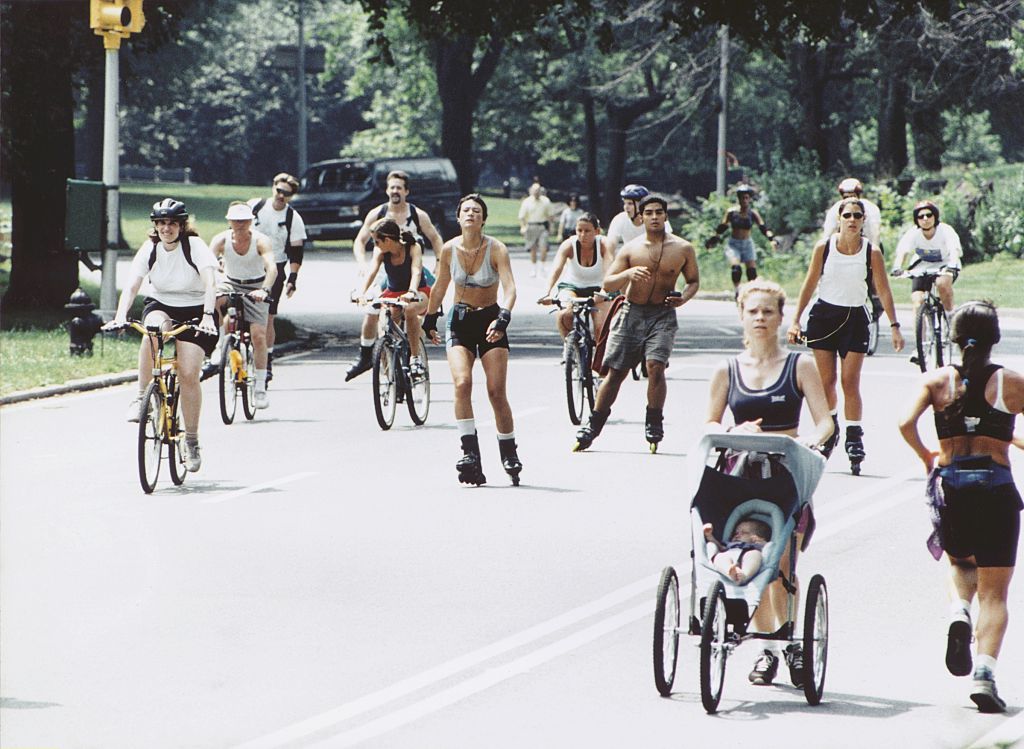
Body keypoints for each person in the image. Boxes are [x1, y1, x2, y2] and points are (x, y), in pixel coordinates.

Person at [706, 278, 835, 687]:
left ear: (781, 317)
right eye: (753, 311)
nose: (760, 318)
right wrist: (733, 426)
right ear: (742, 316)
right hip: (739, 476)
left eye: (768, 312)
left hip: (785, 474)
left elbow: (826, 422)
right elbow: (709, 422)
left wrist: (807, 441)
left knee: (782, 562)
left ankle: (791, 640)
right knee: (750, 558)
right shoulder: (727, 369)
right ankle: (769, 648)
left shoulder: (801, 365)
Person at [897, 301, 1022, 713]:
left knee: (961, 564)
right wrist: (1009, 440)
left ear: (952, 337)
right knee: (996, 593)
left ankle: (958, 611)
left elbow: (904, 423)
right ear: (995, 339)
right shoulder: (1012, 383)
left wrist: (925, 456)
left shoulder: (937, 382)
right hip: (997, 489)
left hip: (952, 488)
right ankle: (984, 673)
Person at [787, 197, 905, 472]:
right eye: (847, 215)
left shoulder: (871, 252)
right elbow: (809, 283)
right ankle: (830, 429)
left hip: (855, 319)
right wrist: (795, 320)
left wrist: (894, 325)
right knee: (826, 381)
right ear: (838, 219)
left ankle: (854, 437)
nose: (852, 220)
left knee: (850, 381)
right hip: (824, 317)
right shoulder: (824, 247)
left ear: (864, 221)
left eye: (857, 216)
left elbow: (884, 290)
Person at [573, 194, 699, 452]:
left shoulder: (683, 248)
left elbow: (693, 281)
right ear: (641, 217)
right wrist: (628, 274)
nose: (654, 217)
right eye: (649, 213)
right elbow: (608, 282)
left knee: (655, 366)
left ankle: (654, 421)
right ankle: (593, 424)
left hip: (662, 315)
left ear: (666, 216)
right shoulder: (632, 248)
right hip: (631, 312)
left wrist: (683, 298)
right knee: (615, 372)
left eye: (659, 212)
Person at [105, 199, 219, 472]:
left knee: (189, 373)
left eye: (172, 223)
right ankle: (142, 395)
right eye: (161, 224)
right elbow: (133, 285)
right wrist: (120, 315)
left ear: (182, 225)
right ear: (155, 226)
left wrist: (207, 315)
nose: (166, 229)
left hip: (196, 307)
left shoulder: (195, 247)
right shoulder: (151, 248)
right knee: (151, 333)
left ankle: (191, 441)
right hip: (162, 304)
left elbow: (210, 283)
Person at [424, 194, 522, 486]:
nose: (471, 214)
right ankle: (470, 453)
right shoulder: (449, 249)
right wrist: (430, 318)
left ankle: (509, 450)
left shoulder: (496, 249)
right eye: (466, 210)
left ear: (483, 219)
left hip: (490, 319)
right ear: (458, 217)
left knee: (495, 391)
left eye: (476, 211)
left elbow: (511, 288)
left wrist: (503, 317)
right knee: (462, 383)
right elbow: (441, 285)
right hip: (460, 322)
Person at [346, 170, 446, 380]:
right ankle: (378, 364)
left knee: (411, 312)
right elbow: (360, 241)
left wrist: (438, 263)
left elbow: (435, 240)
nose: (395, 191)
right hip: (387, 276)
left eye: (399, 187)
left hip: (410, 273)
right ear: (386, 190)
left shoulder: (417, 217)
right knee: (378, 317)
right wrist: (361, 268)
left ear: (406, 191)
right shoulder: (377, 215)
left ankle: (414, 357)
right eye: (391, 187)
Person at [209, 202, 277, 408]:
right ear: (229, 221)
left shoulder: (260, 241)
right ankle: (221, 342)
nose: (239, 225)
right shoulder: (220, 240)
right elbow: (207, 264)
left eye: (244, 221)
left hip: (255, 285)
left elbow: (271, 267)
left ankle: (260, 388)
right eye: (235, 221)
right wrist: (213, 279)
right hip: (230, 282)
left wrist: (264, 290)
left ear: (251, 222)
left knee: (258, 335)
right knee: (213, 300)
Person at [249, 173, 306, 385]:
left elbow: (296, 251)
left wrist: (293, 278)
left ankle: (268, 357)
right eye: (279, 190)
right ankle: (228, 348)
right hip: (247, 263)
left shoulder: (293, 218)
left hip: (276, 266)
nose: (281, 196)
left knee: (267, 317)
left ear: (292, 196)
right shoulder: (255, 206)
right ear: (273, 187)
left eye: (287, 194)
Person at [354, 218, 431, 374]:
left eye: (377, 242)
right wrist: (361, 292)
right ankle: (391, 368)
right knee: (386, 327)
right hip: (393, 293)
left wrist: (411, 292)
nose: (375, 245)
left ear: (387, 240)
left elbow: (416, 271)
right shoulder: (381, 252)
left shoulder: (412, 247)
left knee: (410, 310)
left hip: (418, 291)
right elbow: (372, 272)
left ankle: (415, 358)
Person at [537, 212, 615, 351]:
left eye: (587, 231)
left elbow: (609, 270)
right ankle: (570, 349)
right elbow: (556, 268)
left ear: (596, 231)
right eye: (579, 230)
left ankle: (600, 360)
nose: (583, 235)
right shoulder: (569, 245)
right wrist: (547, 292)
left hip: (599, 287)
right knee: (564, 314)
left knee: (601, 326)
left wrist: (604, 291)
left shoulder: (604, 244)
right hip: (572, 286)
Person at [891, 199, 962, 316]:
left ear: (935, 216)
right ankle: (920, 334)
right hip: (922, 265)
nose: (925, 219)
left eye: (929, 215)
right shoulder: (913, 233)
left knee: (942, 284)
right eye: (921, 216)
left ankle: (950, 316)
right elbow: (903, 251)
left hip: (945, 263)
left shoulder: (945, 230)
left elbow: (954, 250)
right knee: (917, 301)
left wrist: (952, 266)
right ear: (916, 220)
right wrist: (897, 267)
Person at [705, 184, 778, 297]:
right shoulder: (731, 212)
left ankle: (751, 292)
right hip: (734, 244)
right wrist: (713, 239)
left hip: (747, 244)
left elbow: (763, 228)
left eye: (746, 198)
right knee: (736, 269)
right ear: (738, 198)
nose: (744, 200)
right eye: (741, 197)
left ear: (749, 199)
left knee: (752, 272)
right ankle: (737, 290)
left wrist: (771, 239)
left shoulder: (753, 213)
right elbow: (722, 227)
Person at [605, 184, 673, 253]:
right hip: (629, 258)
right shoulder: (620, 219)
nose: (626, 207)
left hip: (654, 256)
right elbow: (610, 247)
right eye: (624, 203)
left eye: (630, 203)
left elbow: (668, 243)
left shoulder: (656, 218)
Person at [704, 519, 771, 584]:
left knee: (755, 554)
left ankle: (745, 575)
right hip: (730, 556)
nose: (737, 535)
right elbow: (720, 547)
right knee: (719, 557)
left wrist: (761, 541)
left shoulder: (755, 545)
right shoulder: (730, 544)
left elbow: (768, 546)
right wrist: (709, 536)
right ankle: (730, 571)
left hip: (746, 555)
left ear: (755, 537)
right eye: (736, 533)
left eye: (744, 533)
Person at [822, 177, 882, 248]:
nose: (850, 199)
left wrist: (874, 253)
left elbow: (875, 234)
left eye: (853, 196)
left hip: (867, 243)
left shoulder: (871, 208)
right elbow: (828, 234)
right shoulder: (835, 209)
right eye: (846, 197)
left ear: (859, 196)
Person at [518, 182, 553, 278]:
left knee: (543, 247)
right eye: (534, 190)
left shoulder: (546, 201)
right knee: (533, 248)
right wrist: (523, 227)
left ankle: (542, 267)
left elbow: (550, 216)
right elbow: (521, 216)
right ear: (531, 191)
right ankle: (534, 268)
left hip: (542, 226)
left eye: (538, 190)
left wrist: (550, 227)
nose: (536, 192)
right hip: (531, 226)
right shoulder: (527, 202)